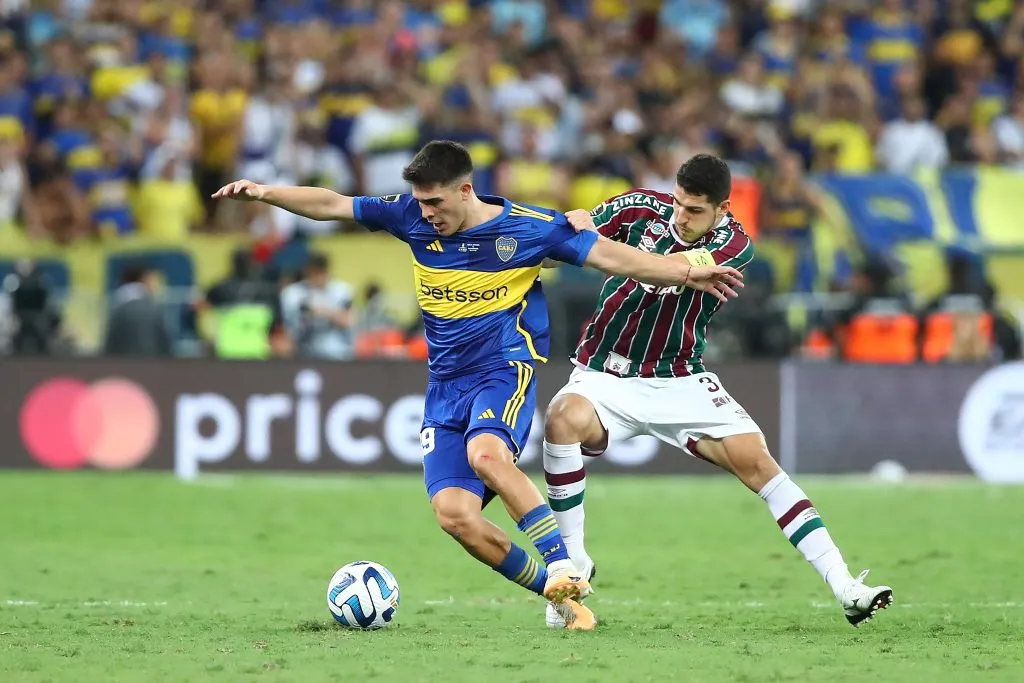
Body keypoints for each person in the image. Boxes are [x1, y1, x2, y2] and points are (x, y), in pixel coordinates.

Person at [213, 140, 744, 631]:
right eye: (421, 203)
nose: (426, 213)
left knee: (487, 456)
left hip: (503, 369)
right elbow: (333, 204)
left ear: (466, 190)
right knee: (455, 517)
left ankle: (566, 563)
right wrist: (265, 193)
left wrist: (685, 271)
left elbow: (614, 257)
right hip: (445, 385)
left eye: (436, 202)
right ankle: (559, 594)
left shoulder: (530, 228)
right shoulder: (411, 218)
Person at [542, 154, 893, 629]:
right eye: (679, 203)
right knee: (561, 417)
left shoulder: (736, 244)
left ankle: (847, 586)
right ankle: (574, 564)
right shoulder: (642, 206)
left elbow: (667, 269)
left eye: (694, 211)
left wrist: (605, 248)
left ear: (723, 208)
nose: (680, 216)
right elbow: (582, 225)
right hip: (605, 373)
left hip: (680, 377)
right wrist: (579, 223)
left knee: (761, 466)